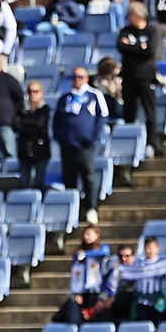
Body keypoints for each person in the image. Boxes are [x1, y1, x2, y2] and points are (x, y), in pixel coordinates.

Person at [54, 65, 109, 222]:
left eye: (80, 77)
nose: (76, 80)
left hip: (85, 146)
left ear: (86, 78)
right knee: (69, 178)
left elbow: (103, 116)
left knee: (88, 176)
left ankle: (91, 207)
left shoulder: (94, 95)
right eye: (74, 77)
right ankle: (73, 210)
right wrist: (60, 137)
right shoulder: (65, 98)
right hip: (67, 146)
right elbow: (56, 120)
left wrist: (92, 137)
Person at [57, 226, 110, 324]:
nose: (86, 237)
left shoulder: (102, 248)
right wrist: (76, 292)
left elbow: (105, 252)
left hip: (97, 289)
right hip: (82, 290)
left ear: (96, 235)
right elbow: (75, 273)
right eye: (85, 234)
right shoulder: (78, 252)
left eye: (89, 234)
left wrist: (85, 254)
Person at [16, 79, 52, 191]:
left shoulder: (44, 109)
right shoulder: (21, 109)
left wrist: (25, 124)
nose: (33, 94)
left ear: (41, 92)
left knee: (40, 182)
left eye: (36, 91)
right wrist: (31, 125)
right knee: (24, 183)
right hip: (24, 149)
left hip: (40, 149)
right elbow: (16, 125)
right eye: (30, 91)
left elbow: (40, 124)